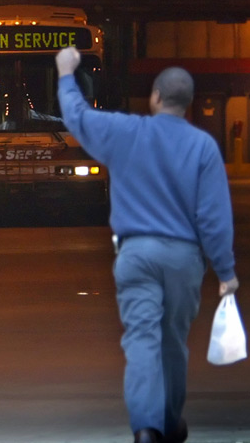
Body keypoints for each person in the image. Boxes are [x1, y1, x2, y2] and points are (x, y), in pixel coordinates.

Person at [54, 47, 240, 443]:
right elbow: (213, 218)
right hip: (183, 260)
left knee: (142, 339)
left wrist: (67, 73)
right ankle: (170, 423)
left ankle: (146, 429)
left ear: (154, 97)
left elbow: (78, 117)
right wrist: (225, 272)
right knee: (173, 344)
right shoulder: (203, 147)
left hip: (136, 255)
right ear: (189, 106)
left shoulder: (126, 132)